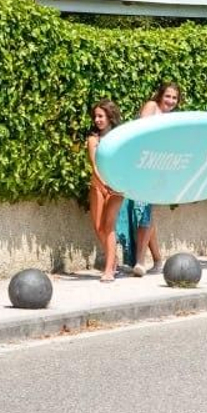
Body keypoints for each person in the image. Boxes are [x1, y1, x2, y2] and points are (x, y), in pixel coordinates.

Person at [125, 81, 179, 276]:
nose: (170, 101)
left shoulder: (171, 119)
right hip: (140, 166)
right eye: (168, 96)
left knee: (145, 211)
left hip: (155, 169)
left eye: (174, 98)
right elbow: (142, 132)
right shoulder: (151, 106)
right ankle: (156, 260)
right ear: (160, 95)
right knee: (142, 212)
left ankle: (141, 261)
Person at [86, 101, 124, 282]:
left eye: (101, 116)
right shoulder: (93, 140)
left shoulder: (120, 138)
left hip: (116, 188)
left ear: (110, 117)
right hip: (98, 185)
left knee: (109, 226)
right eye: (95, 116)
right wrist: (103, 183)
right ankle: (113, 259)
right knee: (98, 227)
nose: (97, 120)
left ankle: (109, 269)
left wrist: (118, 184)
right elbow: (95, 166)